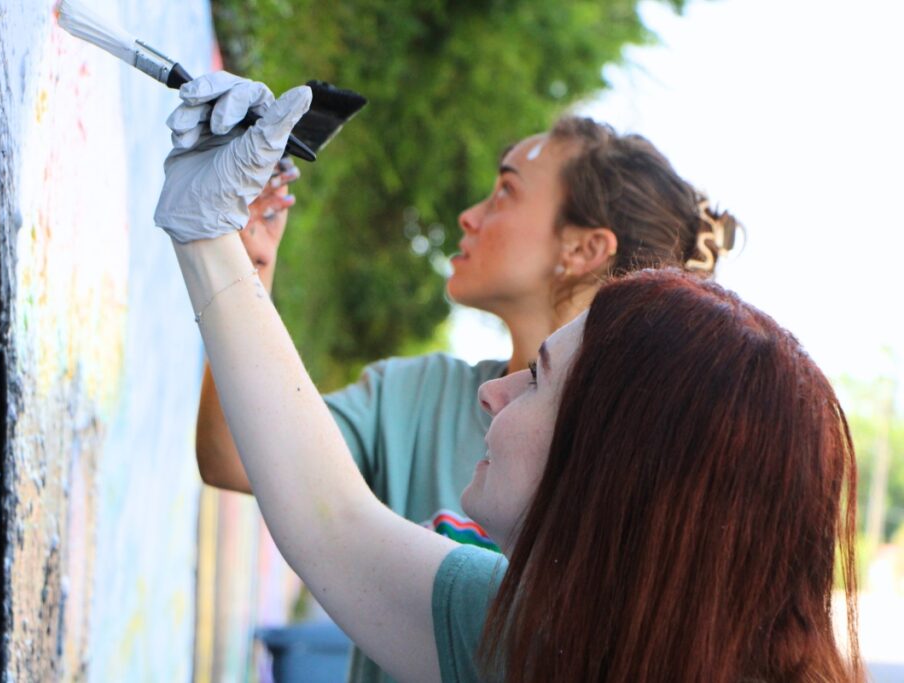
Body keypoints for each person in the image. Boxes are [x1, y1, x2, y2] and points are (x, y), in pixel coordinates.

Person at [154, 74, 862, 682]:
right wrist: (221, 246)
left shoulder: (553, 635)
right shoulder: (534, 626)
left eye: (542, 379)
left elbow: (332, 520)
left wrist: (209, 235)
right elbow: (312, 504)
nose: (493, 396)